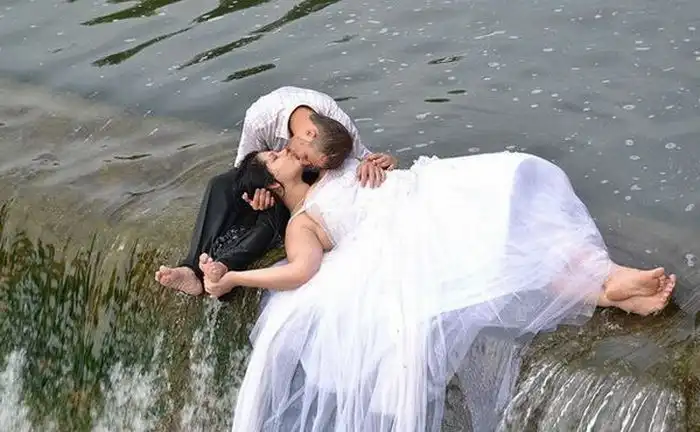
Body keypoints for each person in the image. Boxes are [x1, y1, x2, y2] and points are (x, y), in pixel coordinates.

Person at [197, 127, 676, 431]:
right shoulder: (302, 222)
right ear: (274, 185)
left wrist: (377, 161)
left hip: (424, 192)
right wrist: (235, 276)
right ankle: (608, 291)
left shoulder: (330, 170)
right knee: (500, 254)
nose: (284, 150)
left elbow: (335, 137)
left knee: (518, 193)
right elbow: (302, 270)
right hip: (409, 229)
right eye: (275, 157)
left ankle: (611, 281)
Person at [154, 86, 397, 296]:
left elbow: (362, 157)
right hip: (276, 185)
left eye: (308, 160)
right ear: (307, 135)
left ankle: (223, 264)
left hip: (304, 187)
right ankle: (194, 268)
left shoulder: (331, 133)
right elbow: (245, 171)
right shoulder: (261, 120)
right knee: (223, 186)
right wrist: (252, 196)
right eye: (304, 157)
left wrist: (380, 162)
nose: (302, 160)